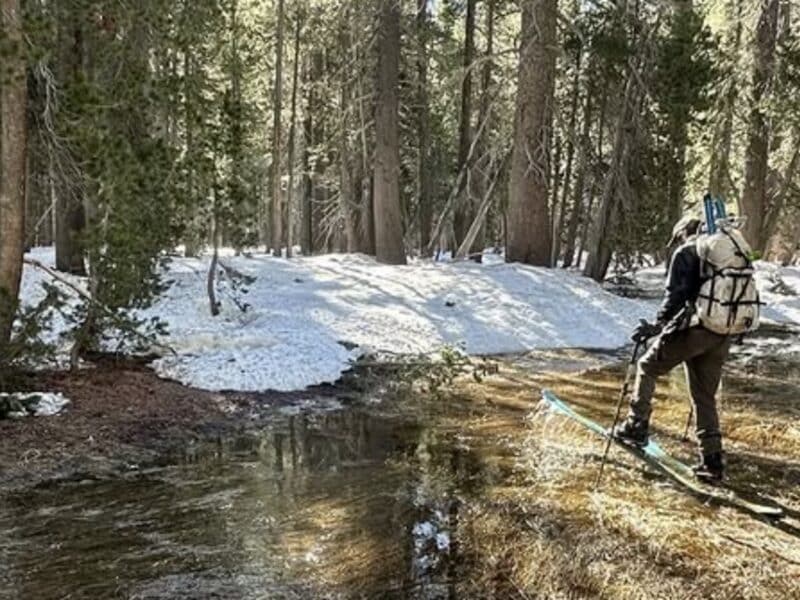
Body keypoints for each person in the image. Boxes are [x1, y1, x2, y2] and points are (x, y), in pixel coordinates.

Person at [614, 214, 731, 482]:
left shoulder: (686, 252)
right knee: (704, 395)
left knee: (647, 366)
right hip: (723, 333)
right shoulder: (724, 253)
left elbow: (675, 296)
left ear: (681, 234)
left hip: (695, 330)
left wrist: (657, 326)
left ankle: (636, 425)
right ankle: (712, 460)